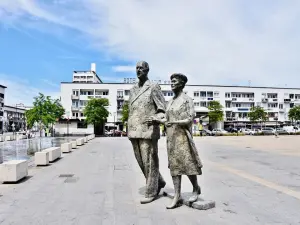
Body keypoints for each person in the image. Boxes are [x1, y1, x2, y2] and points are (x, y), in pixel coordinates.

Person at [154, 73, 203, 209]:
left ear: (181, 83)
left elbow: (189, 118)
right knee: (174, 167)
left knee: (188, 164)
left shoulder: (187, 100)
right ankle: (177, 195)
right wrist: (157, 120)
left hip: (183, 137)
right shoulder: (169, 102)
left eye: (174, 81)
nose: (172, 83)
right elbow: (167, 119)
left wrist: (174, 122)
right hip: (171, 139)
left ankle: (195, 188)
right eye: (171, 81)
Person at [127, 61, 166, 204]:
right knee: (141, 161)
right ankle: (159, 181)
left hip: (148, 130)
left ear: (147, 70)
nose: (138, 70)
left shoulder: (153, 87)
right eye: (136, 68)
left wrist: (156, 118)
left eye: (141, 68)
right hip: (133, 129)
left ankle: (151, 192)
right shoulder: (132, 90)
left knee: (149, 161)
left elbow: (162, 109)